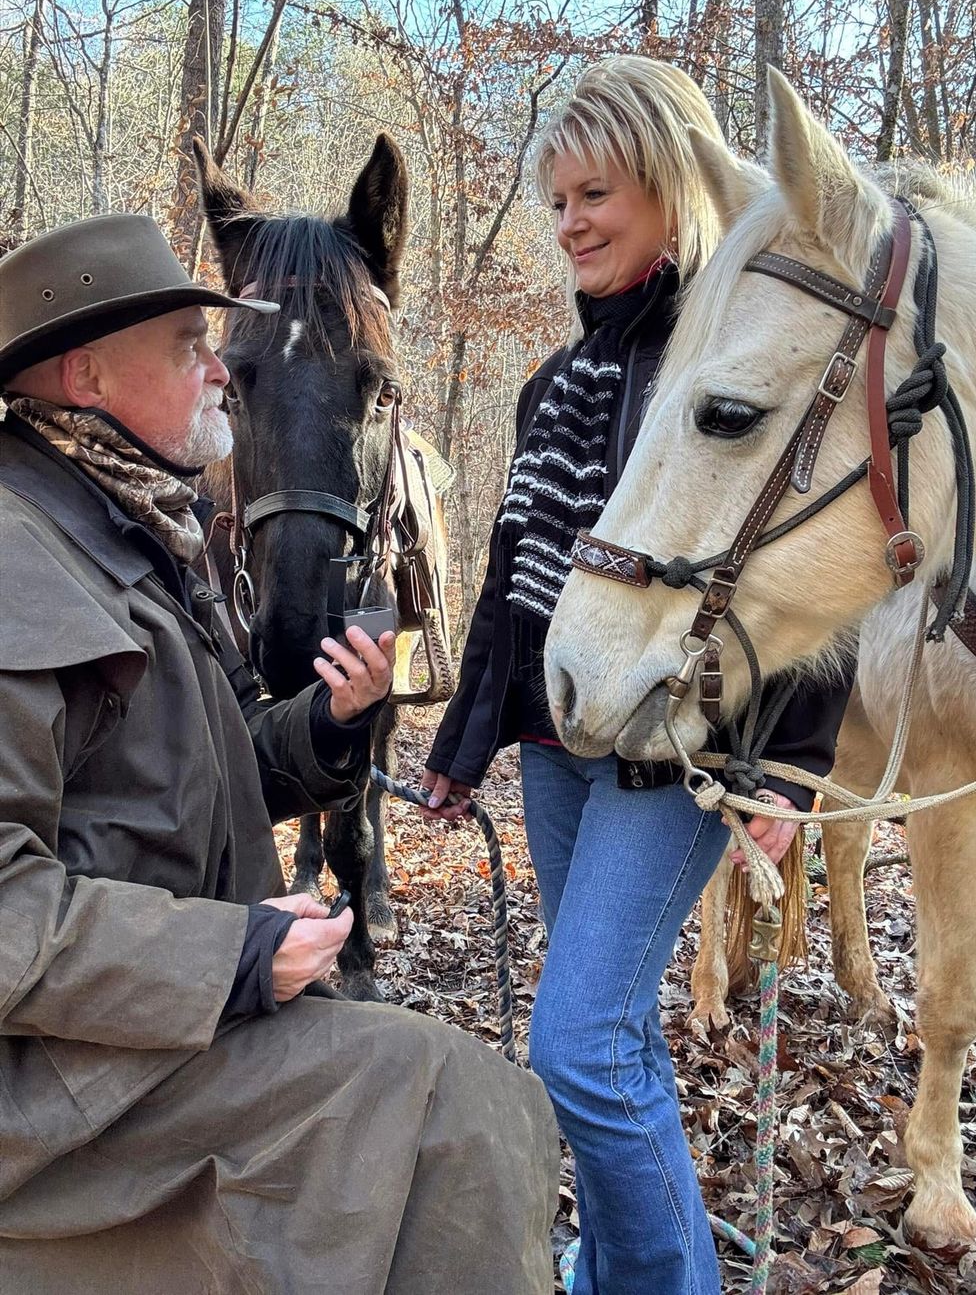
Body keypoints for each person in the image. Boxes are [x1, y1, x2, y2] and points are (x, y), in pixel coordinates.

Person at [0, 213, 559, 1293]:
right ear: (85, 375)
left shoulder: (134, 530)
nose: (219, 371)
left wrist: (333, 722)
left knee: (470, 1104)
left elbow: (211, 774)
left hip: (149, 1031)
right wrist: (235, 951)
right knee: (456, 1108)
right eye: (189, 348)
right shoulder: (17, 559)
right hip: (59, 1095)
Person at [422, 57, 852, 1295]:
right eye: (556, 201)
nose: (568, 224)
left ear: (671, 187)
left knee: (578, 1047)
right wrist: (462, 749)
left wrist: (789, 766)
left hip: (683, 746)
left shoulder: (730, 360)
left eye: (595, 194)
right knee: (606, 1034)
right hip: (561, 745)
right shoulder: (549, 385)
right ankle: (613, 1266)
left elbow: (804, 562)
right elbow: (512, 589)